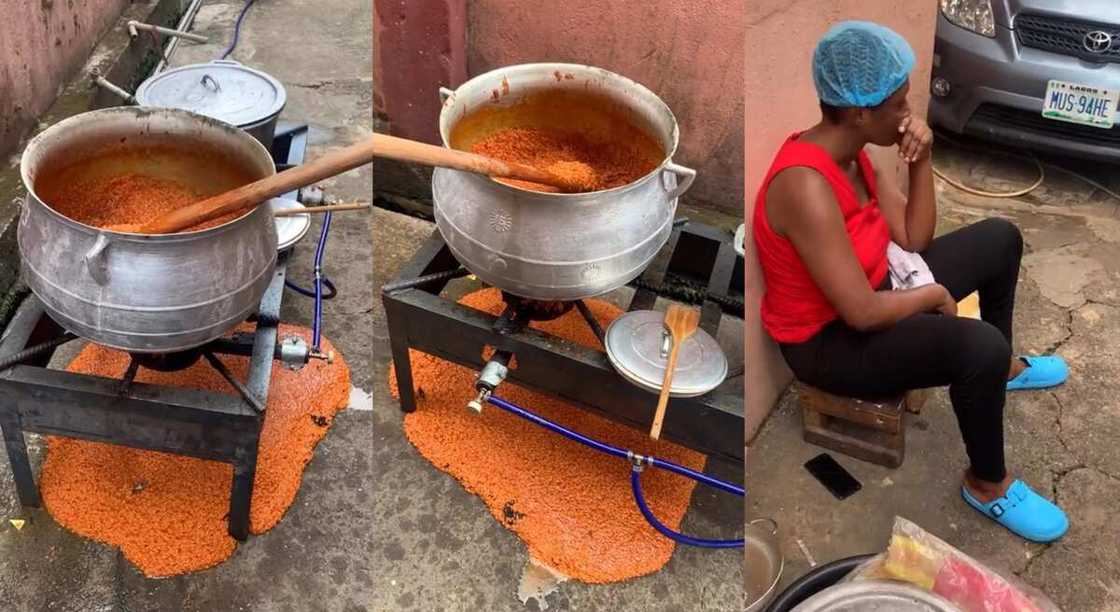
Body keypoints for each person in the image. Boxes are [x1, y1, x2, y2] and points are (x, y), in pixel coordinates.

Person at [752, 21, 1069, 543]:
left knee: (1000, 238)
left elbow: (915, 238)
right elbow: (860, 313)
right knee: (976, 347)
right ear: (859, 112)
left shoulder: (859, 154)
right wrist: (934, 294)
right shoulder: (805, 186)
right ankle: (987, 483)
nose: (909, 115)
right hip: (828, 342)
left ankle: (1004, 369)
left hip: (881, 287)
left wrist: (921, 161)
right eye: (899, 105)